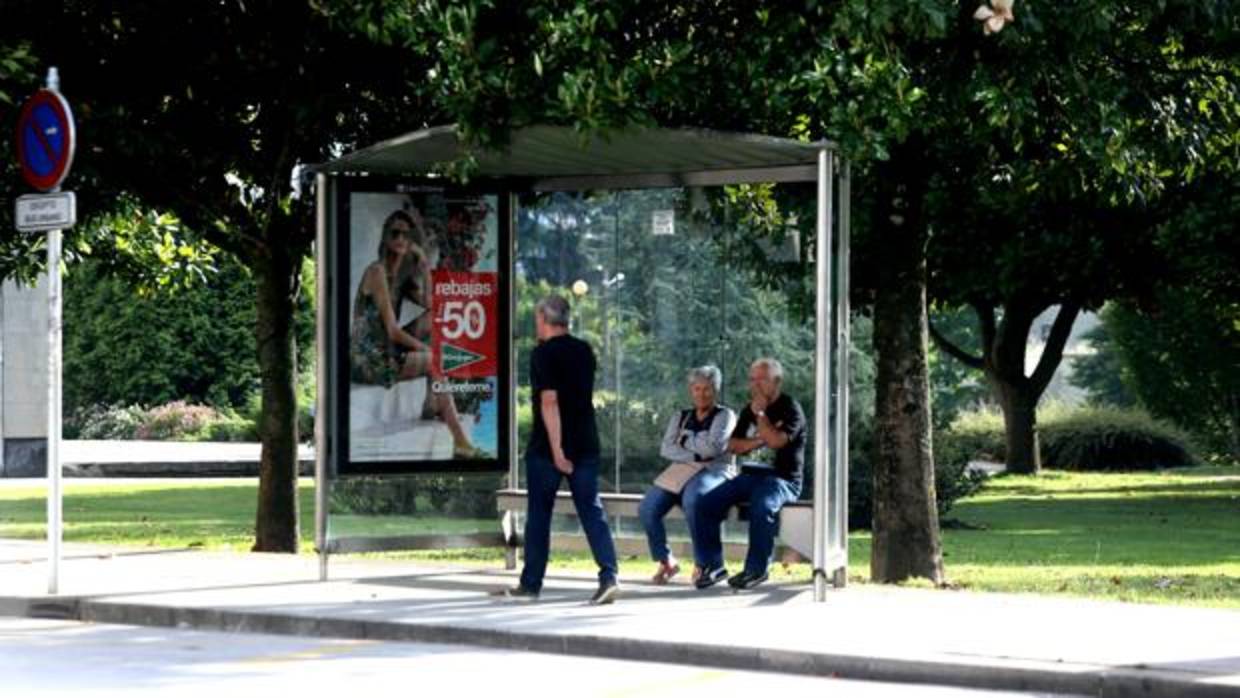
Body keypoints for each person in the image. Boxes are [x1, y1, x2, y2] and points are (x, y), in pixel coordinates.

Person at [498, 294, 619, 605]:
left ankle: (531, 585)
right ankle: (609, 575)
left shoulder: (543, 354)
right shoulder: (584, 350)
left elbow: (549, 403)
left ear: (542, 317)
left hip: (549, 449)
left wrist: (557, 452)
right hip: (586, 443)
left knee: (539, 516)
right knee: (591, 509)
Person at [349, 209, 484, 459]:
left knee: (434, 320)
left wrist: (423, 266)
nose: (401, 238)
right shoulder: (376, 272)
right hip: (368, 357)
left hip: (388, 347)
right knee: (433, 359)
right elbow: (392, 329)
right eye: (395, 233)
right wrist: (426, 351)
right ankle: (459, 439)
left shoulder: (401, 276)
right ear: (386, 238)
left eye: (406, 234)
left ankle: (433, 403)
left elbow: (431, 305)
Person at [693, 357, 806, 590]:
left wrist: (762, 416)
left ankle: (756, 570)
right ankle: (714, 566)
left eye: (761, 380)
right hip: (750, 477)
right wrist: (758, 440)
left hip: (783, 480)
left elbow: (776, 441)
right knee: (704, 503)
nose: (755, 385)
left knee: (762, 505)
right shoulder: (749, 409)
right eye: (752, 379)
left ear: (777, 381)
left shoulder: (791, 408)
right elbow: (733, 445)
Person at [637, 366, 736, 585]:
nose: (702, 394)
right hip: (681, 470)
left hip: (715, 471)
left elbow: (713, 450)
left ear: (716, 390)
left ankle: (706, 564)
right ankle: (666, 561)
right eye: (697, 388)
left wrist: (684, 440)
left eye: (708, 389)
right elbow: (666, 449)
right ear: (691, 390)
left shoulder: (725, 416)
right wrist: (698, 450)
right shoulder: (680, 416)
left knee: (694, 500)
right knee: (647, 508)